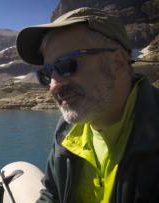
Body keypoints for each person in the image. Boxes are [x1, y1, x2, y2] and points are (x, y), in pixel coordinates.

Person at [16, 7, 159, 203]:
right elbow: (53, 194)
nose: (53, 86)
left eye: (66, 64)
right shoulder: (67, 132)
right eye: (47, 74)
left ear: (116, 62)